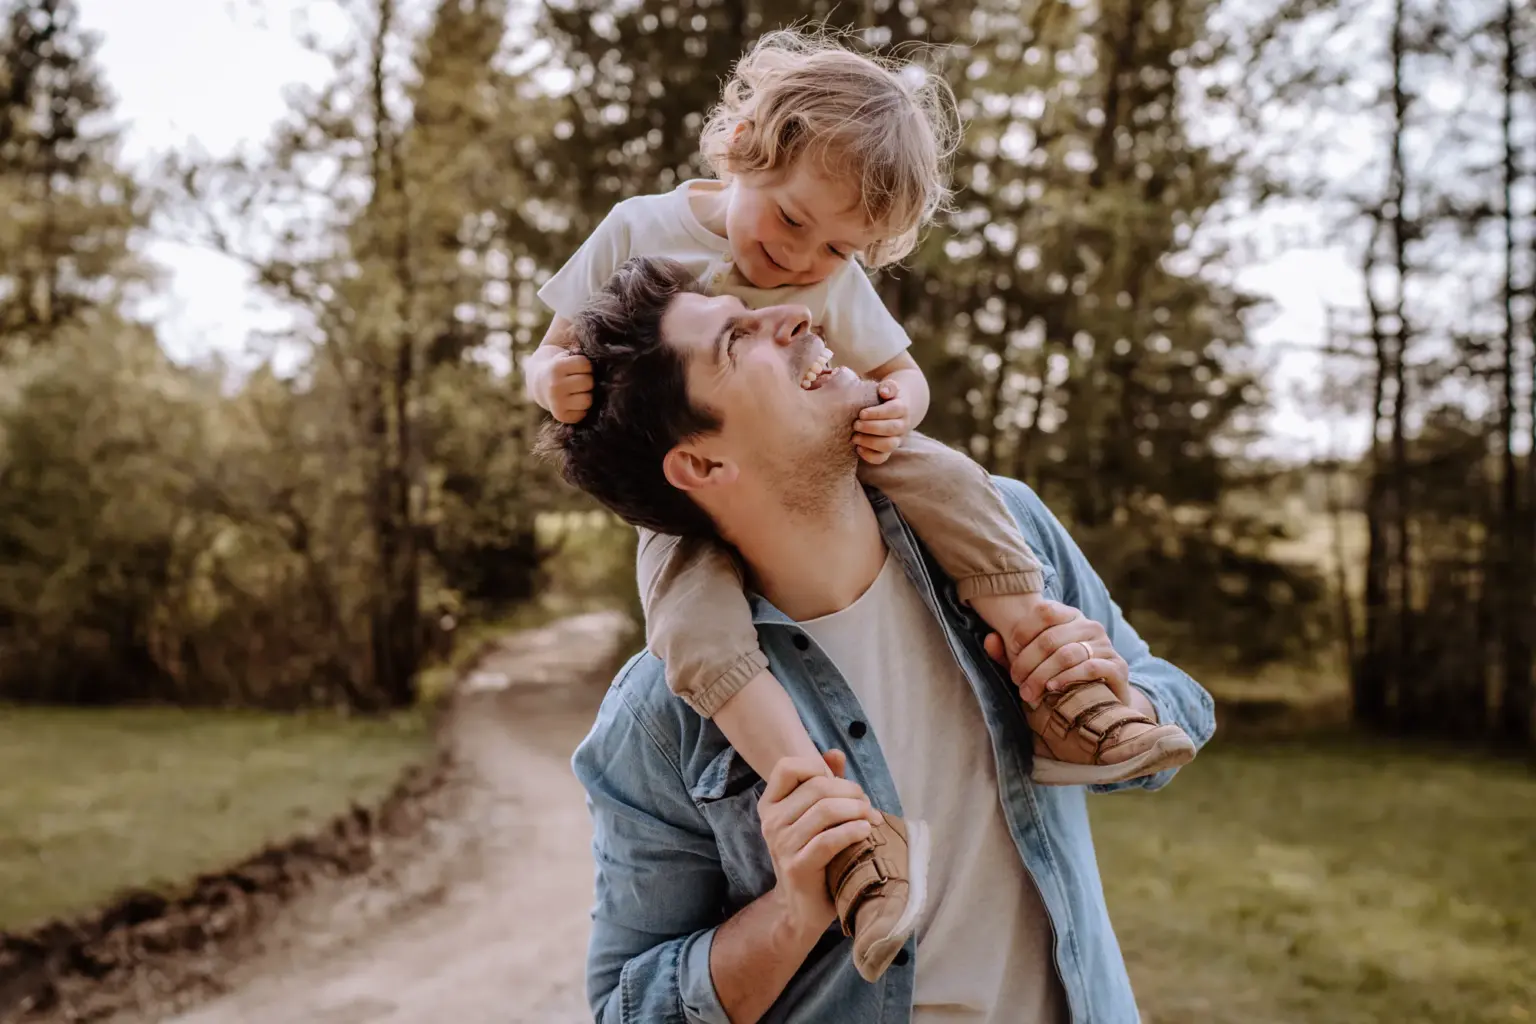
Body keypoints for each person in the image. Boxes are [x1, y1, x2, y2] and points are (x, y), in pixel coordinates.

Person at [522, 29, 1195, 979]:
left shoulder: (828, 280)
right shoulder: (642, 229)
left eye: (840, 249)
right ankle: (831, 819)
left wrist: (893, 412)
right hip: (693, 514)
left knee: (955, 482)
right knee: (692, 626)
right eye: (794, 221)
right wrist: (553, 380)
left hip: (854, 439)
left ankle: (1055, 671)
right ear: (743, 143)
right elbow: (553, 346)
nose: (802, 268)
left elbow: (900, 372)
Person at [536, 256, 1216, 1023]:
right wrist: (791, 916)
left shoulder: (1007, 530)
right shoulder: (660, 719)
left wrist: (1117, 703)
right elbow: (626, 1009)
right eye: (736, 339)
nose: (795, 313)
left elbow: (1175, 705)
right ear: (701, 462)